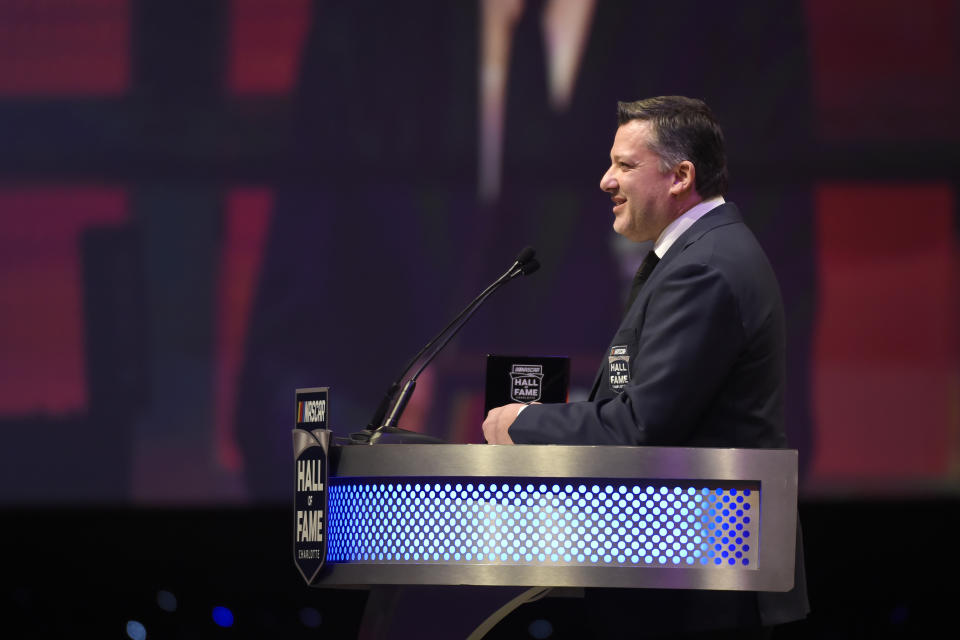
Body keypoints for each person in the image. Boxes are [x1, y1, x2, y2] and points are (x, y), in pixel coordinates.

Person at [482, 96, 809, 637]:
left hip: (699, 582)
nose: (607, 181)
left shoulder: (704, 267)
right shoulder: (698, 255)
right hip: (684, 572)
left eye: (625, 165)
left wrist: (522, 421)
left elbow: (640, 426)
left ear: (681, 175)